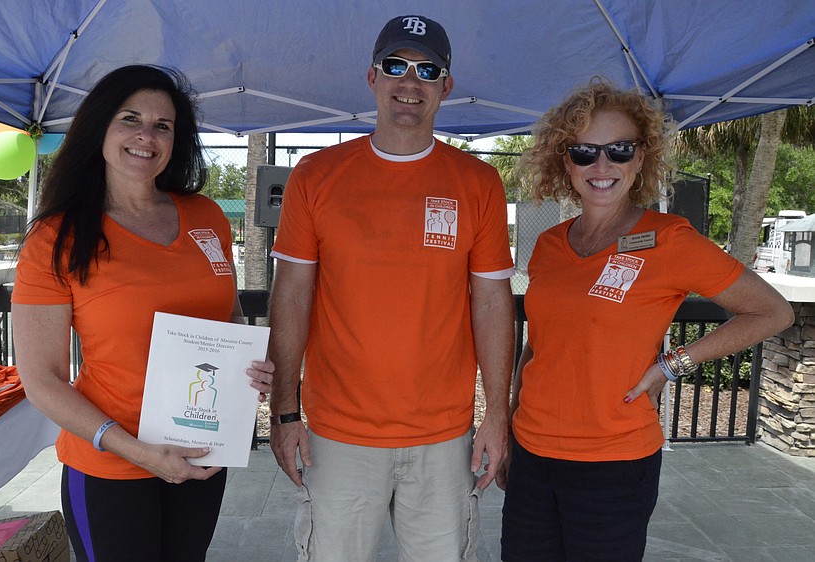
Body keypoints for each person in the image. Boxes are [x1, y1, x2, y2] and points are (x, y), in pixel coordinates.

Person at [497, 78, 794, 561]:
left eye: (619, 150)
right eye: (584, 152)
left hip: (614, 461)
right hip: (533, 452)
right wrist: (510, 424)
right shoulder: (550, 244)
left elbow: (772, 312)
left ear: (641, 158)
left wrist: (671, 364)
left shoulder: (669, 239)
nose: (602, 166)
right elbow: (538, 344)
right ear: (563, 160)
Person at [268, 14, 515, 562]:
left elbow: (493, 303)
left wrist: (497, 414)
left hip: (444, 437)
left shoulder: (478, 182)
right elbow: (291, 297)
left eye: (428, 70)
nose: (411, 82)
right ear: (372, 78)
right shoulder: (316, 175)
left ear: (446, 87)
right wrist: (285, 412)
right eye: (396, 66)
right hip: (337, 434)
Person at [10, 65, 274, 562]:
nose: (146, 136)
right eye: (130, 119)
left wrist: (249, 370)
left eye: (163, 125)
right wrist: (137, 451)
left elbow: (230, 319)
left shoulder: (206, 217)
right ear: (100, 129)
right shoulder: (57, 238)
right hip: (111, 465)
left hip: (199, 456)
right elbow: (41, 380)